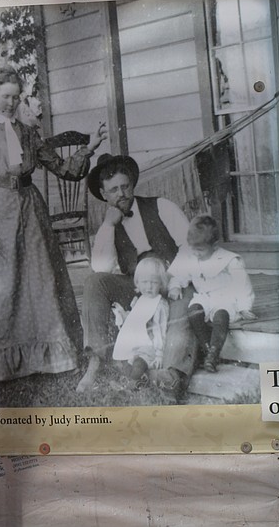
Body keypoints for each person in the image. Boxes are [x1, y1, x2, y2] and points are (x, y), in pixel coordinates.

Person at [0, 65, 107, 384]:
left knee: (41, 281)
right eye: (5, 97)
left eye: (15, 97)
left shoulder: (28, 133)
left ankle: (49, 357)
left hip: (31, 210)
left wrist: (90, 147)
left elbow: (63, 167)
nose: (11, 103)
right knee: (3, 285)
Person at [76, 153, 197, 399]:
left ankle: (171, 376)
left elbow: (190, 245)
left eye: (125, 186)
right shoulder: (107, 226)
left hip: (173, 279)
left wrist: (173, 278)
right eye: (113, 190)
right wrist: (109, 226)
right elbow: (102, 268)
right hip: (139, 286)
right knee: (95, 283)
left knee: (182, 307)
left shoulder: (161, 206)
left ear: (132, 186)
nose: (121, 194)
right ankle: (96, 362)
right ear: (104, 194)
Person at [168, 215, 255, 373]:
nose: (195, 253)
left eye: (200, 250)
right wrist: (175, 286)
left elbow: (242, 283)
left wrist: (244, 306)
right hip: (205, 297)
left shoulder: (228, 259)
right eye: (193, 248)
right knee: (194, 311)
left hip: (225, 298)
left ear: (214, 246)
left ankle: (214, 352)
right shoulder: (191, 256)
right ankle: (207, 349)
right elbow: (180, 274)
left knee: (221, 314)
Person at [111, 255, 172, 388]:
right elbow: (135, 321)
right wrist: (123, 314)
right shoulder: (140, 300)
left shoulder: (159, 304)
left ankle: (130, 386)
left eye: (154, 282)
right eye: (144, 282)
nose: (149, 287)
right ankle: (138, 381)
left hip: (149, 348)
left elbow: (159, 329)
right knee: (123, 363)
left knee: (139, 364)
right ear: (137, 283)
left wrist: (159, 353)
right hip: (135, 345)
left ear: (161, 283)